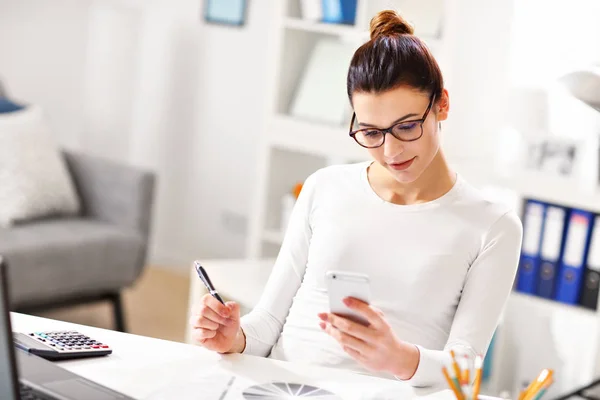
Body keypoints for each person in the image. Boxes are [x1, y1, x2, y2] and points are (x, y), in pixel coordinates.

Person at [189, 9, 523, 387]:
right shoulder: (324, 187)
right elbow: (268, 322)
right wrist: (233, 337)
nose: (391, 150)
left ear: (442, 104)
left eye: (407, 126)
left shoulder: (492, 226)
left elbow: (466, 367)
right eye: (370, 132)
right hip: (276, 389)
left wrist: (400, 358)